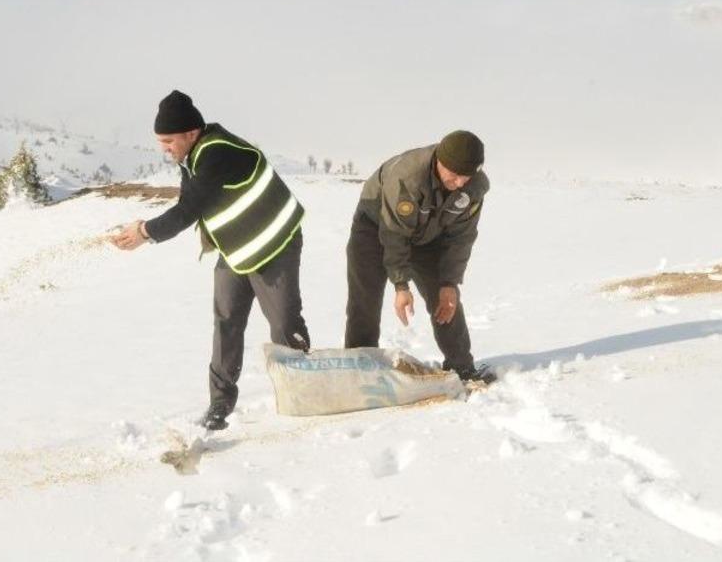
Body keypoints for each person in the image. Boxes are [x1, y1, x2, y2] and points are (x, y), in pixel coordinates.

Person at [111, 90, 310, 430]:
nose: (164, 148)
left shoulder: (218, 152)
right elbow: (190, 203)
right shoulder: (193, 156)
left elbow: (189, 210)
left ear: (190, 132)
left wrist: (144, 232)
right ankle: (219, 406)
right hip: (238, 250)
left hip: (275, 245)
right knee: (226, 321)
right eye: (160, 141)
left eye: (168, 140)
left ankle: (301, 392)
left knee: (284, 323)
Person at [344, 130, 493, 383]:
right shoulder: (407, 177)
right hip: (375, 227)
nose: (458, 183)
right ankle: (360, 368)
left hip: (428, 236)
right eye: (453, 175)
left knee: (446, 300)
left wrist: (449, 282)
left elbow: (461, 239)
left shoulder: (474, 189)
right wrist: (401, 284)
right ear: (439, 161)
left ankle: (461, 367)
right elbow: (394, 235)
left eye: (465, 177)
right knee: (365, 298)